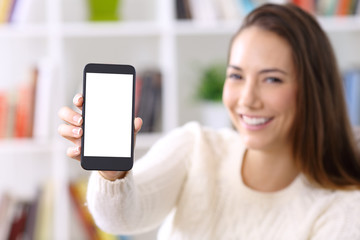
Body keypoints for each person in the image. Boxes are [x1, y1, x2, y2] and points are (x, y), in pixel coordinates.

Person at [58, 3, 360, 239]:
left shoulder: (342, 208)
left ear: (313, 88)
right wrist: (113, 175)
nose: (247, 99)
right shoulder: (196, 148)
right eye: (236, 76)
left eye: (271, 79)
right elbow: (121, 218)